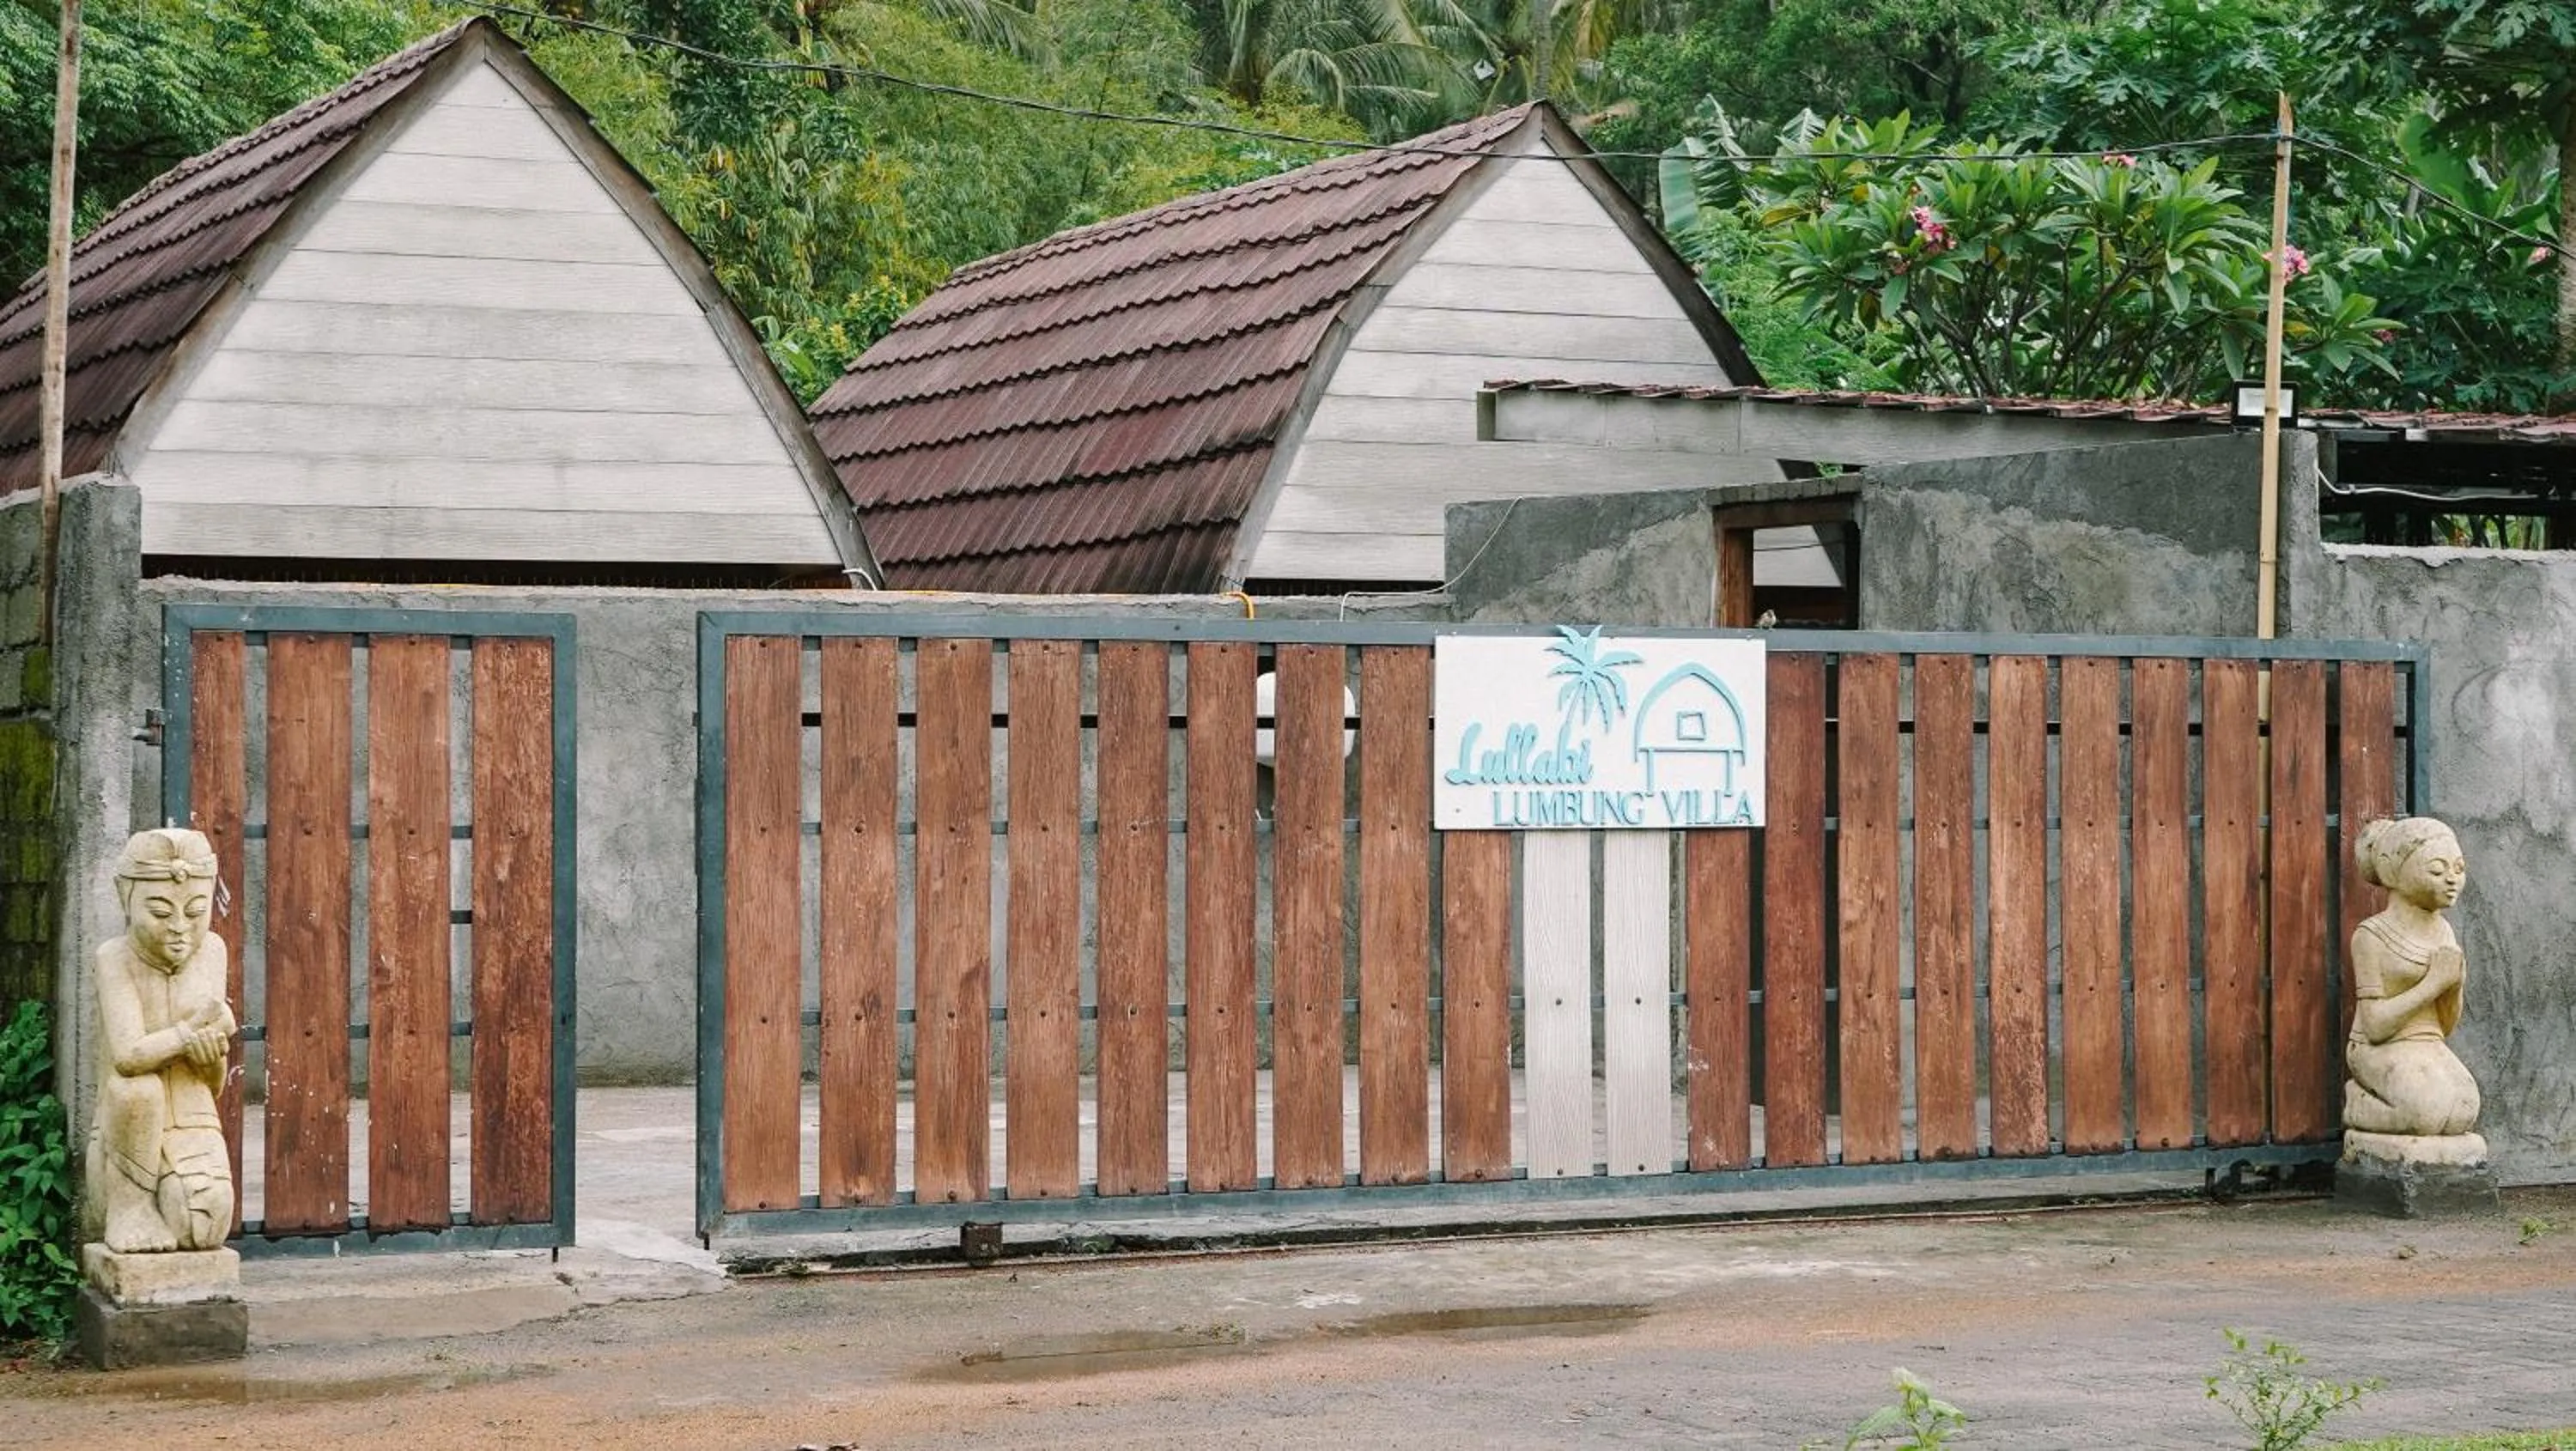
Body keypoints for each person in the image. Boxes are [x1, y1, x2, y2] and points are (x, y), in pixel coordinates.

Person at [85, 829, 235, 1253]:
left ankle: (172, 1202)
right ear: (125, 898)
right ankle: (129, 1208)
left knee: (203, 1228)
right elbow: (130, 1056)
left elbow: (213, 1083)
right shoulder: (115, 958)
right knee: (138, 1089)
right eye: (160, 911)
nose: (180, 927)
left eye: (195, 911)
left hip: (191, 1119)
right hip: (128, 1135)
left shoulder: (212, 953)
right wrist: (189, 1035)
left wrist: (210, 1056)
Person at [2344, 817, 2480, 1138]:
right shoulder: (2371, 935)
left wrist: (2454, 985)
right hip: (2378, 1046)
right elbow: (2374, 1025)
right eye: (2436, 870)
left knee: (2464, 1110)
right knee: (2428, 1114)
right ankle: (2358, 1103)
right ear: (2393, 871)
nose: (2451, 880)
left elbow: (2444, 1025)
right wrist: (2433, 983)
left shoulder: (2443, 931)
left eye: (2458, 869)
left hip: (2427, 1043)